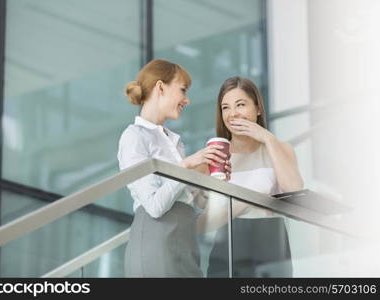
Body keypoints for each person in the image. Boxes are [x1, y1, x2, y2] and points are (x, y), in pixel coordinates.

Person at [117, 59, 231, 277]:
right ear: (160, 87)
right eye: (183, 90)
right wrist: (187, 165)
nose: (186, 100)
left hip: (185, 240)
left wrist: (208, 182)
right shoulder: (134, 136)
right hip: (156, 241)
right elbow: (154, 206)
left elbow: (189, 202)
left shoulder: (174, 141)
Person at [206, 77, 304, 277]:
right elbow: (205, 219)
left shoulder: (280, 148)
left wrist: (267, 138)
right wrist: (249, 201)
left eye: (240, 104)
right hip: (227, 246)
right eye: (225, 107)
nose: (233, 113)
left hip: (270, 242)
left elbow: (294, 190)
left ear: (258, 108)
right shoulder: (216, 155)